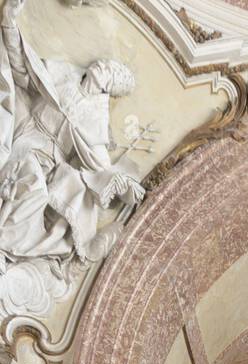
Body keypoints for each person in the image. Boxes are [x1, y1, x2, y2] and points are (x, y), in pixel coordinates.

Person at [0, 0, 144, 267]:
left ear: (110, 87)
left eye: (110, 74)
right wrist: (9, 20)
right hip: (22, 123)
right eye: (105, 66)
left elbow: (100, 168)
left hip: (43, 157)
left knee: (30, 184)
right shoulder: (63, 74)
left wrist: (122, 185)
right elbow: (22, 67)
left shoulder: (96, 121)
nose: (103, 69)